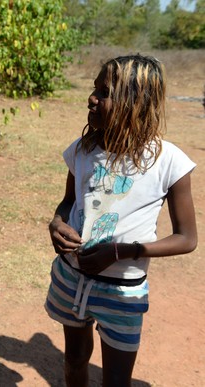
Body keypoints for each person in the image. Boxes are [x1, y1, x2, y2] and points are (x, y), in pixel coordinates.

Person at [45, 54, 198, 387]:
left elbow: (187, 238)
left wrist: (119, 252)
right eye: (95, 88)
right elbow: (69, 201)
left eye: (105, 92)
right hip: (71, 277)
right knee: (74, 359)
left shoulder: (169, 162)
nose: (92, 98)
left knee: (116, 379)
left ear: (137, 102)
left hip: (122, 291)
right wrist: (57, 223)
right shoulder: (83, 149)